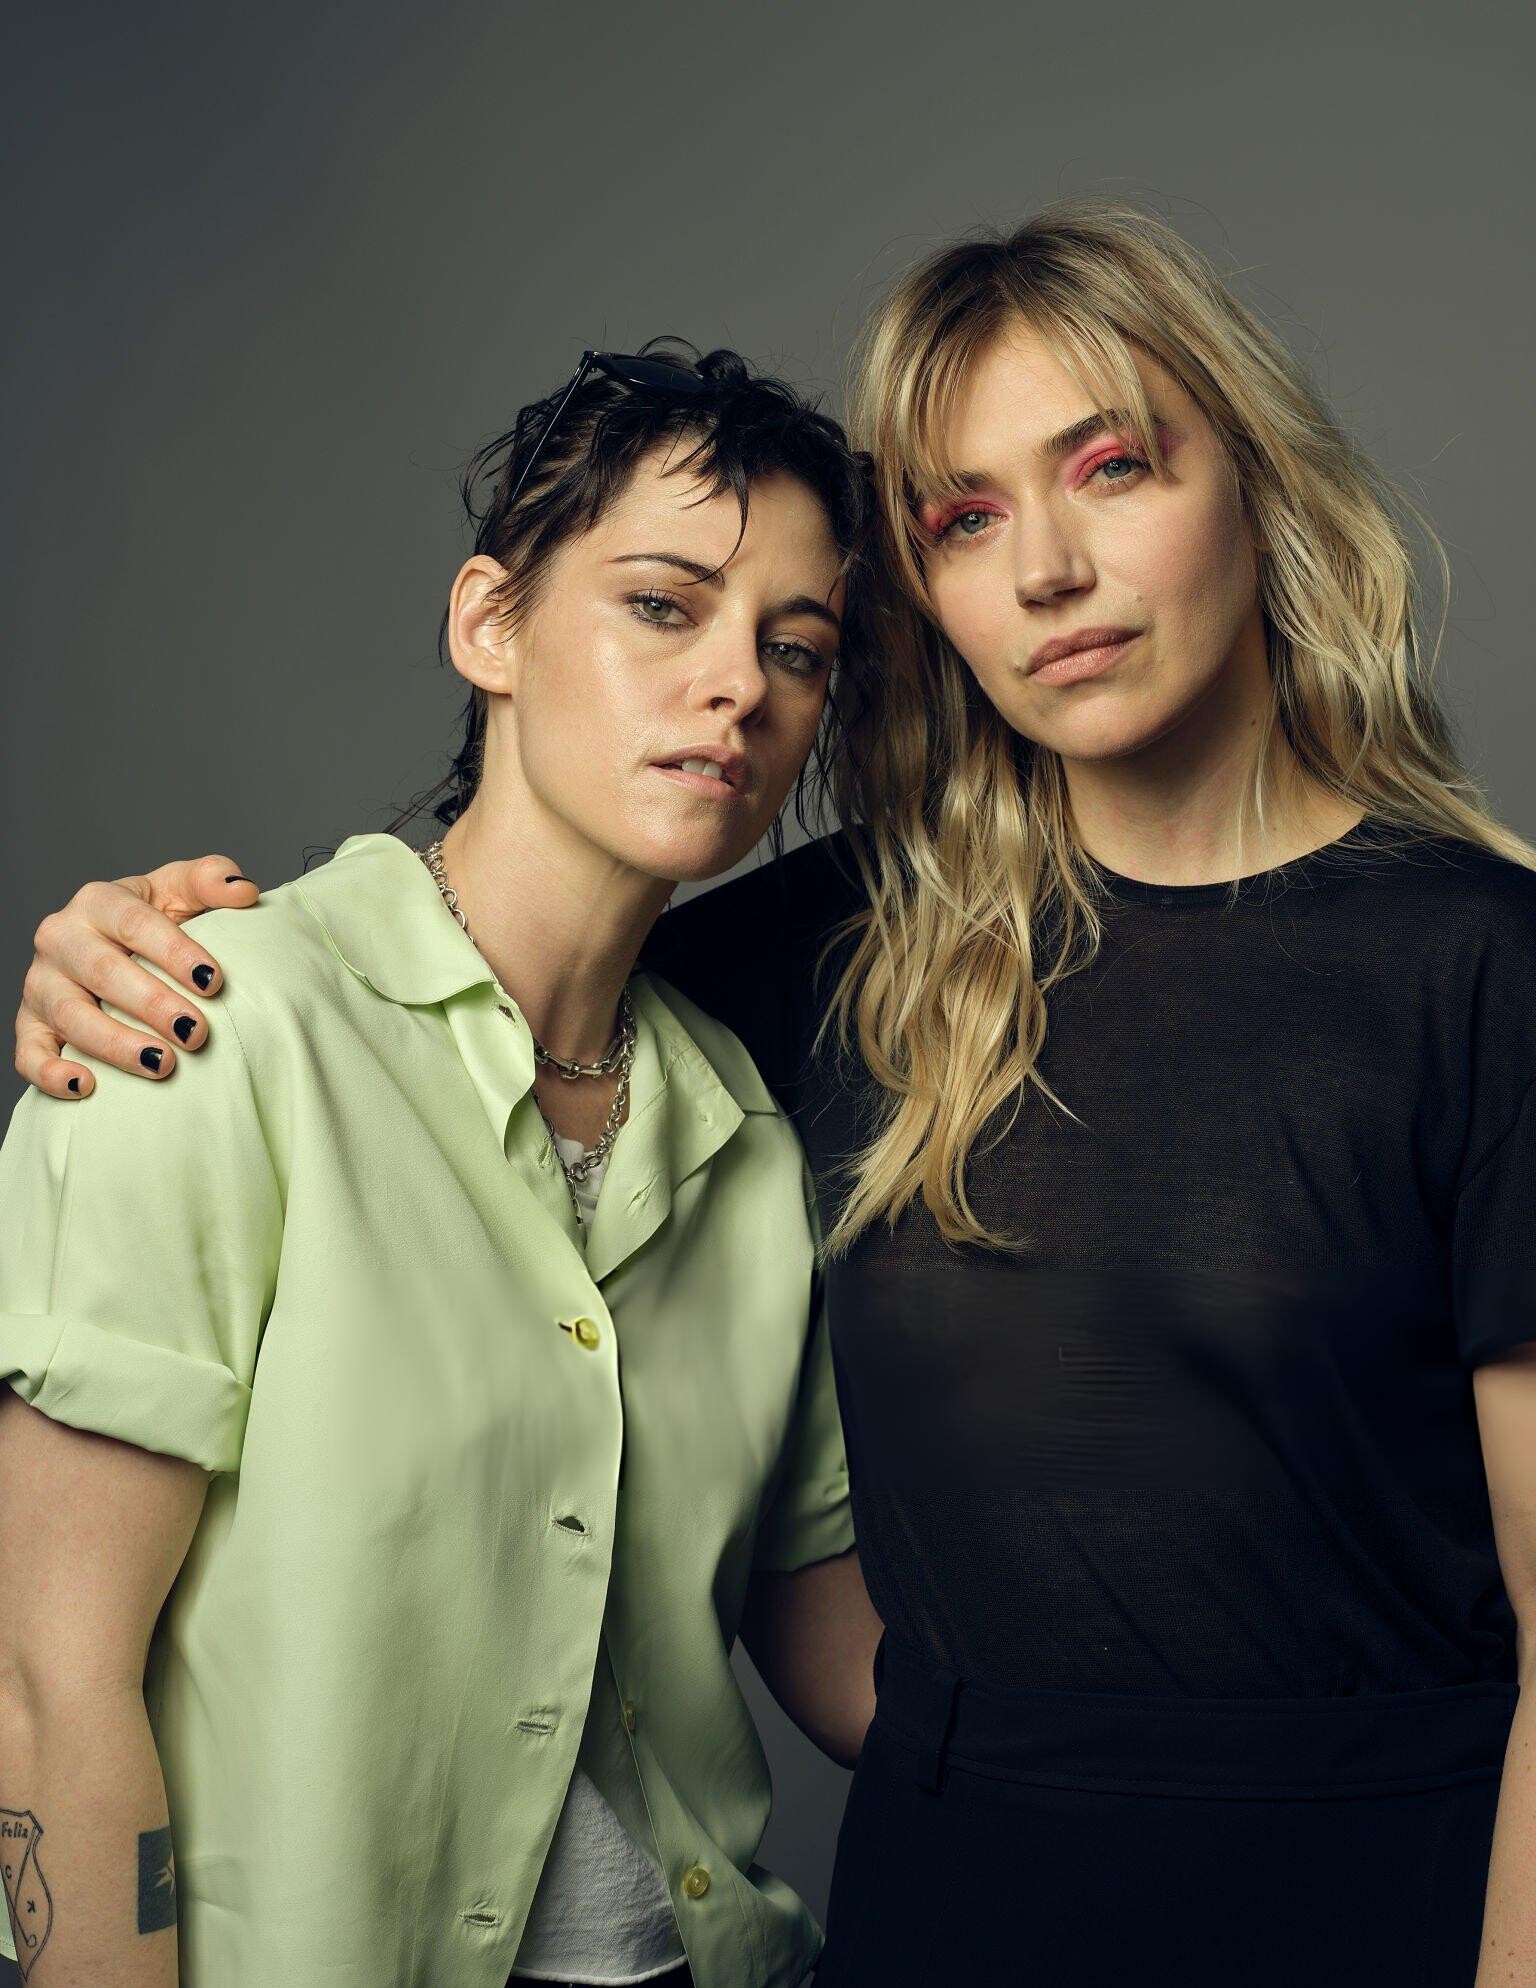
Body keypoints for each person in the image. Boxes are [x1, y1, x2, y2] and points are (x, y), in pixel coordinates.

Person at [14, 200, 1536, 1987]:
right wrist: (127, 952)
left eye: (1112, 467)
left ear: (1256, 485)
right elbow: (52, 1670)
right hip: (944, 1915)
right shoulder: (792, 967)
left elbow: (819, 1608)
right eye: (965, 519)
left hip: (1354, 1898)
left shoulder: (1469, 966)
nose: (1047, 569)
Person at [0, 342, 886, 1988]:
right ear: (490, 625)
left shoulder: (748, 1136)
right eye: (662, 606)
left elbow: (837, 1651)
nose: (738, 687)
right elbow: (51, 1685)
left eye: (796, 649)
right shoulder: (204, 1022)